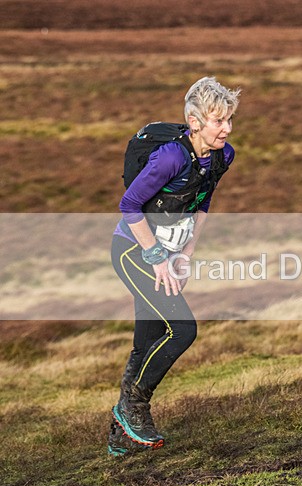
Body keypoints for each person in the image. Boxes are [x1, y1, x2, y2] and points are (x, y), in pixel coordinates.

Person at [107, 76, 240, 455]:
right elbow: (129, 206)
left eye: (230, 120)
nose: (227, 129)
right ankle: (133, 408)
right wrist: (158, 259)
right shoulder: (170, 157)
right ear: (195, 121)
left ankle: (121, 437)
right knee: (181, 329)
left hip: (169, 254)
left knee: (146, 340)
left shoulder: (222, 155)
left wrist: (185, 255)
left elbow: (203, 201)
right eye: (219, 121)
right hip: (134, 251)